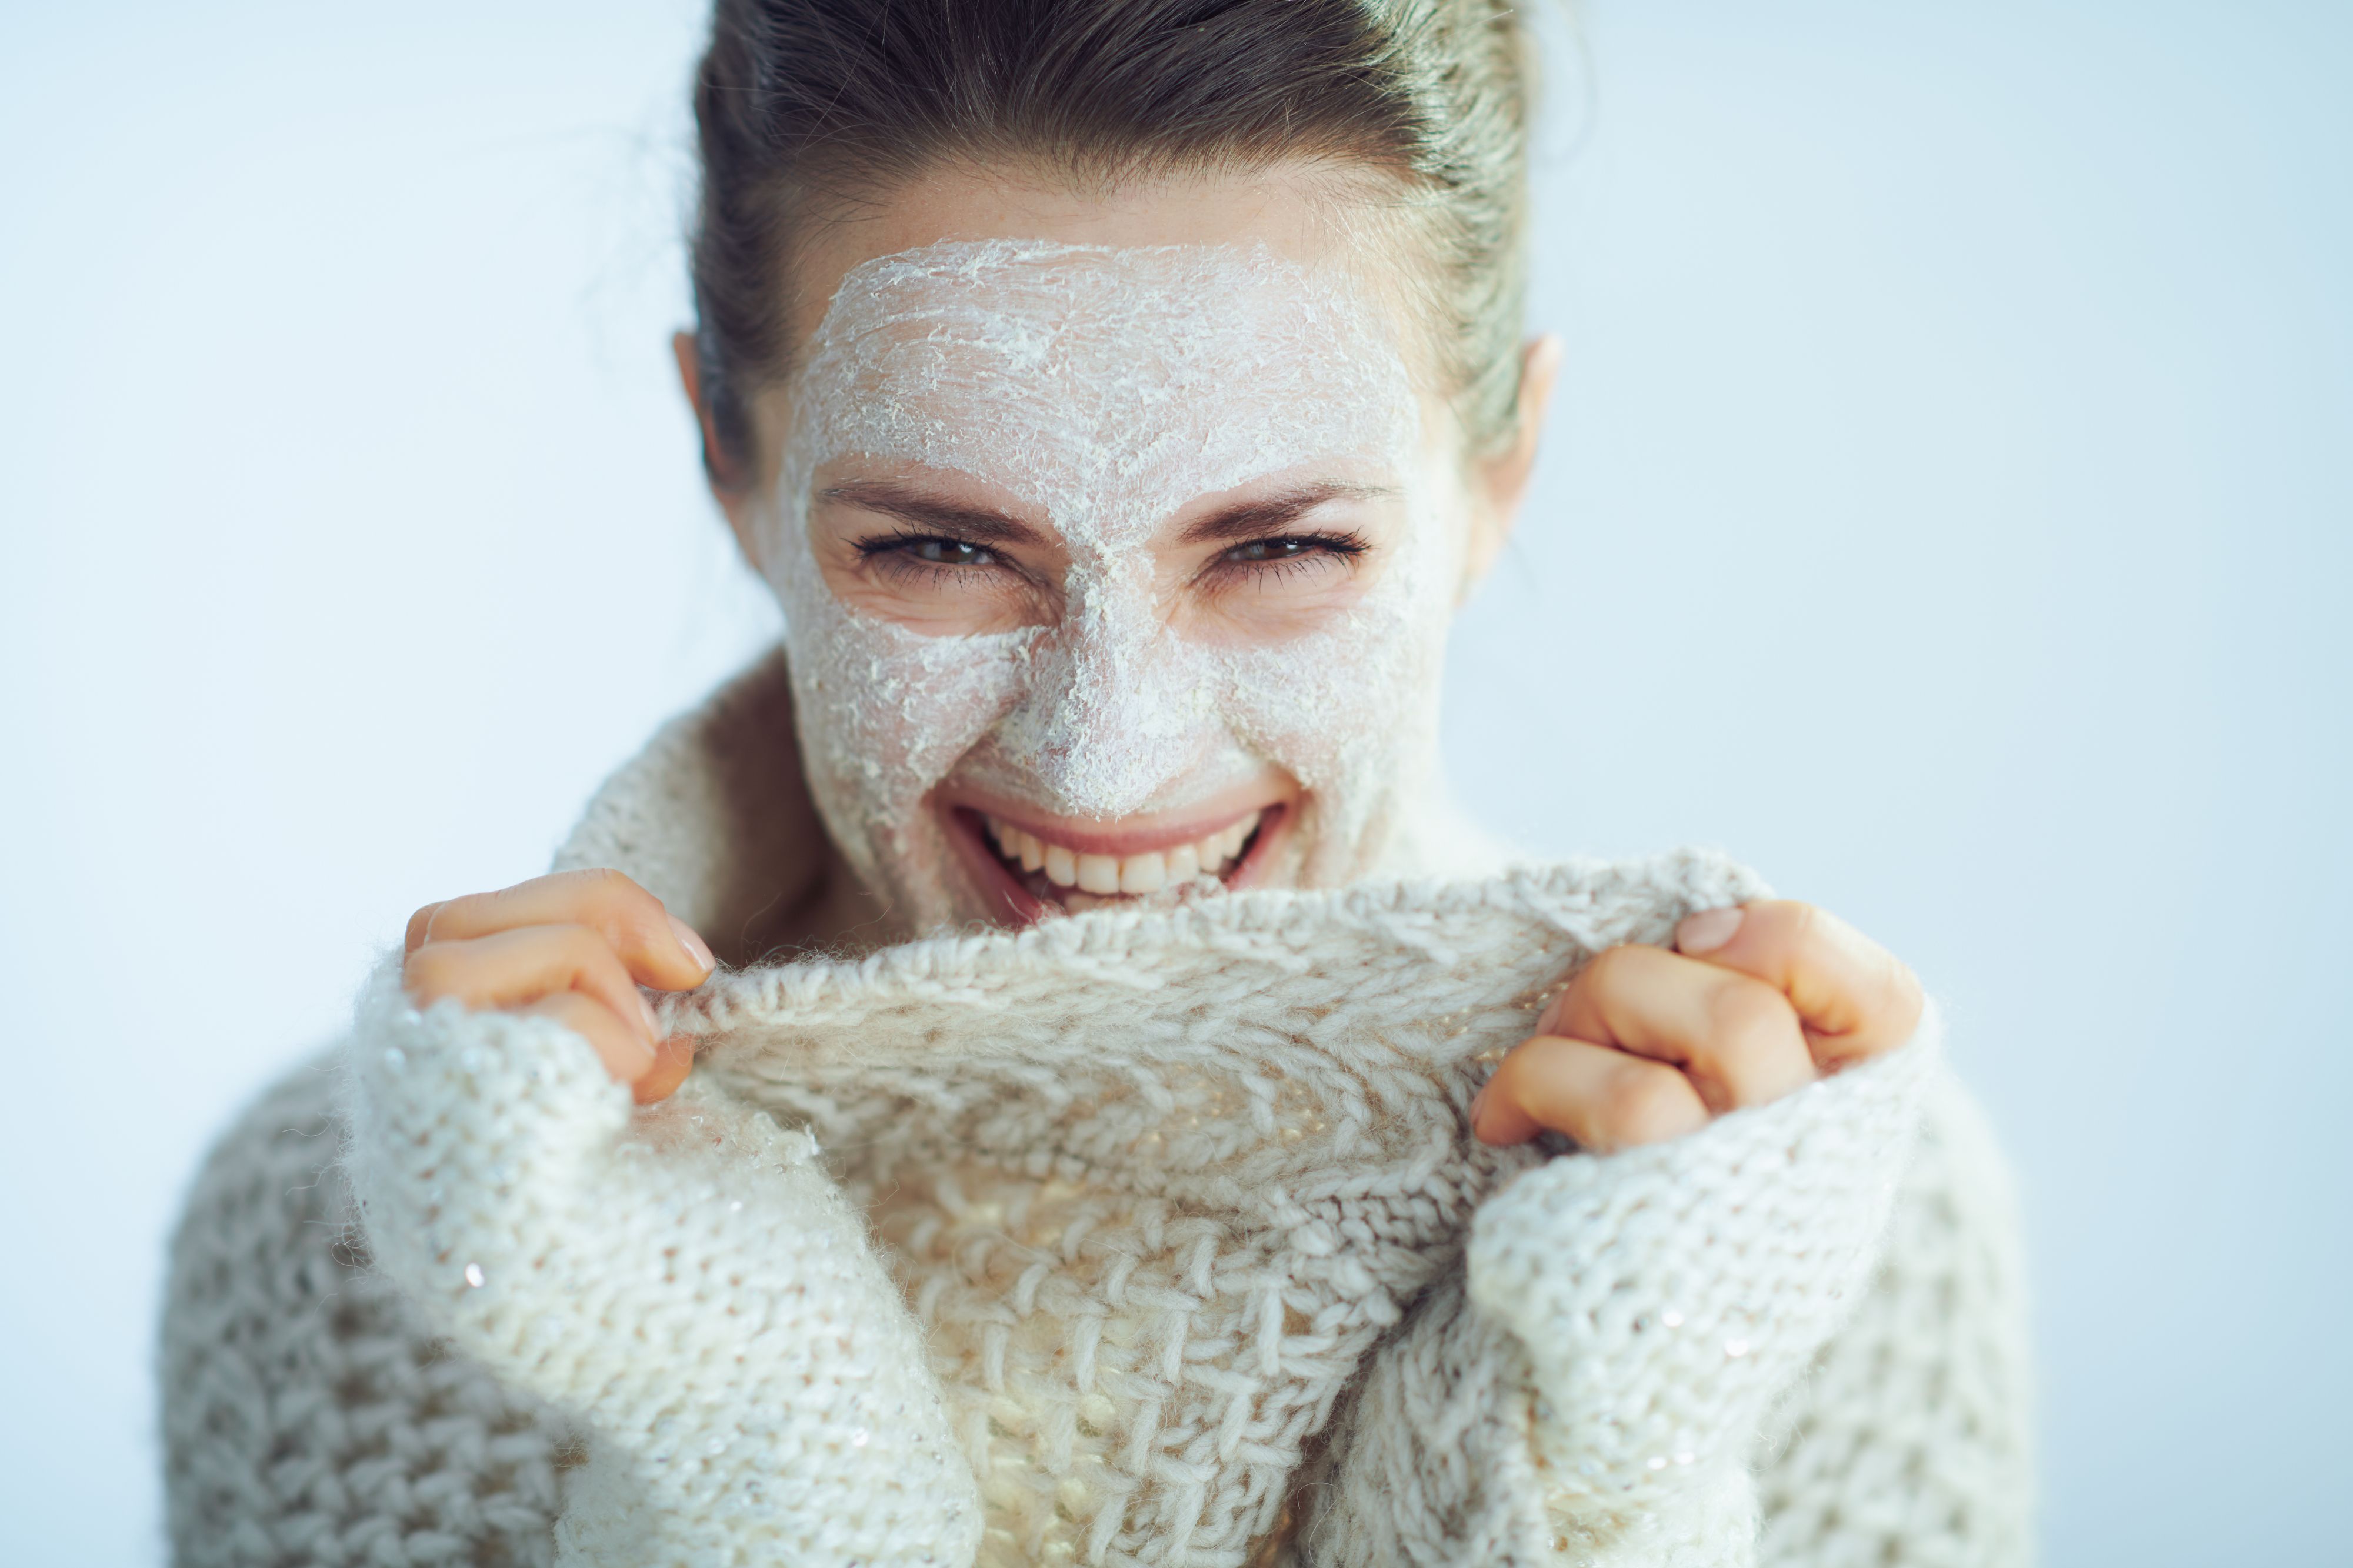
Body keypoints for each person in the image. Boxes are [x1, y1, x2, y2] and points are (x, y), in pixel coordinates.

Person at [160, 3, 2032, 1564]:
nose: (1106, 753)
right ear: (730, 457)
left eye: (1282, 548)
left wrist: (1591, 1465)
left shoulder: (1799, 1218)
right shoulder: (363, 1240)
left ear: (1501, 474)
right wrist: (749, 1426)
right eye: (939, 551)